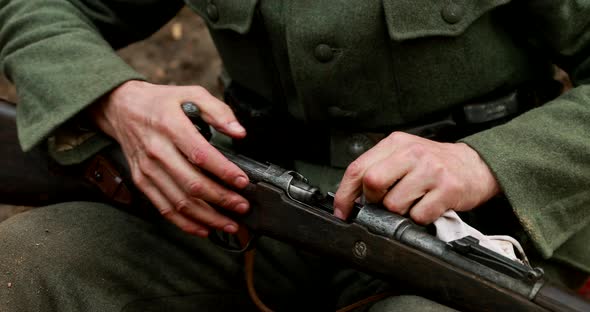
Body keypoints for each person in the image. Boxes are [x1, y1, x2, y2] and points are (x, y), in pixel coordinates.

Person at [0, 0, 589, 311]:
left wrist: (486, 160)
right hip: (244, 200)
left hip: (479, 231)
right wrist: (115, 99)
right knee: (27, 264)